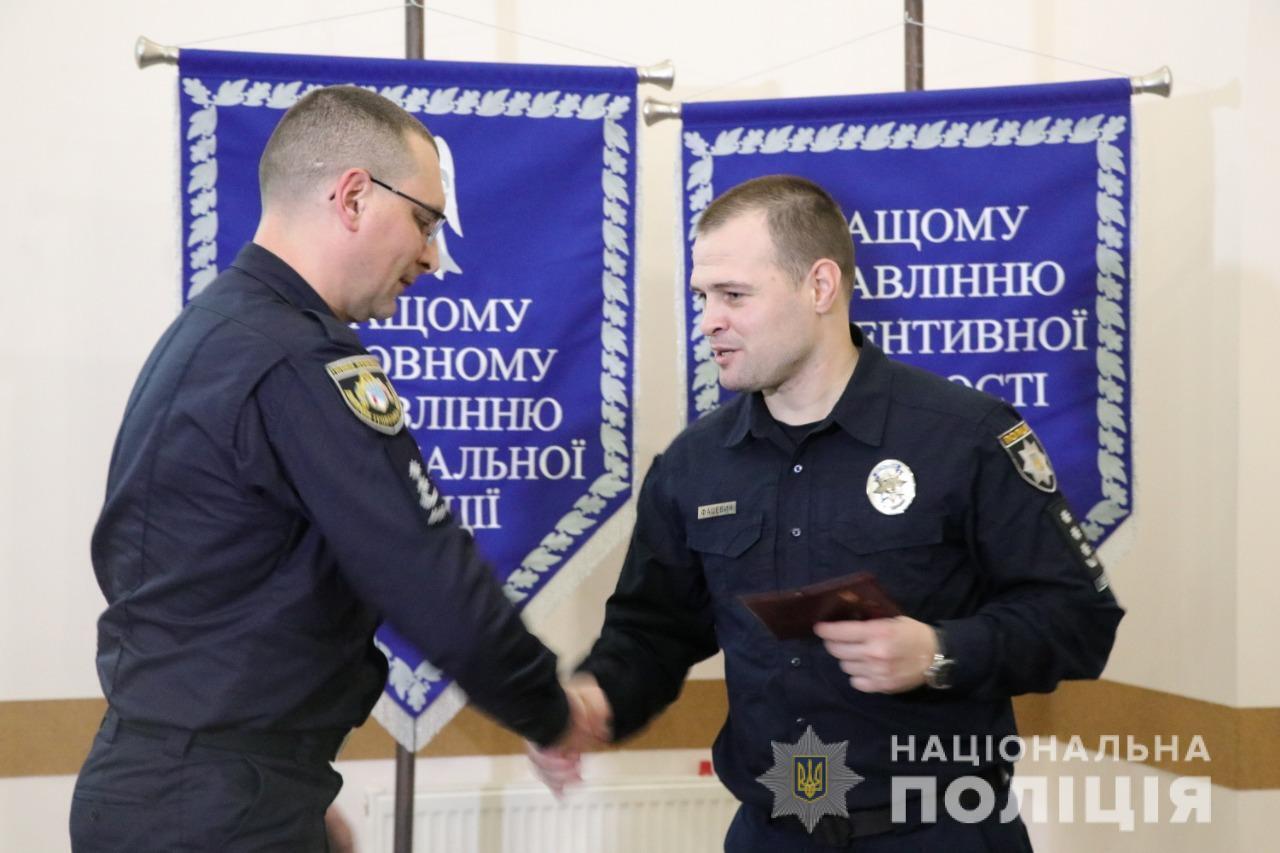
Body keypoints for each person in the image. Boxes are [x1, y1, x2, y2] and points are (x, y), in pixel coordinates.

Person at [530, 175, 1124, 851]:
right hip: (772, 831)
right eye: (703, 297)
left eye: (733, 295)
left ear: (819, 287)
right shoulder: (693, 466)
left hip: (939, 830)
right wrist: (595, 698)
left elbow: (1079, 618)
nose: (708, 321)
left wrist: (939, 651)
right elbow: (654, 629)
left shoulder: (967, 436)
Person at [70, 85, 589, 851]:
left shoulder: (213, 331)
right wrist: (549, 709)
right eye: (423, 220)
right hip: (212, 804)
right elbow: (425, 569)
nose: (430, 255)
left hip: (182, 782)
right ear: (352, 196)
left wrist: (278, 784)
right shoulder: (298, 357)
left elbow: (186, 575)